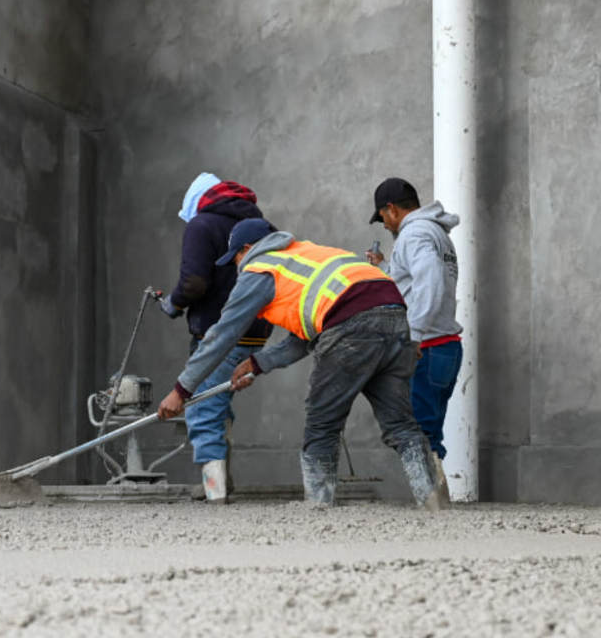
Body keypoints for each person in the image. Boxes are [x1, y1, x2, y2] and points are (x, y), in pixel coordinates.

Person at [157, 218, 448, 509]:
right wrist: (257, 363)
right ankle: (431, 499)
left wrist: (182, 391)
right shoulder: (307, 256)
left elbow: (221, 335)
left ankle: (318, 503)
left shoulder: (260, 269)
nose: (237, 266)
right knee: (401, 424)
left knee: (322, 421)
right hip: (395, 317)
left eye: (235, 257)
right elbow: (305, 337)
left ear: (248, 248)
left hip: (352, 324)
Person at [160, 172, 272, 503]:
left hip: (219, 331)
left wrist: (174, 302)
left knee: (202, 406)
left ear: (199, 201)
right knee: (218, 403)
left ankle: (215, 492)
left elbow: (194, 282)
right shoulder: (262, 226)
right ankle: (223, 481)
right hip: (259, 330)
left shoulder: (202, 225)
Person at [365, 177, 462, 460]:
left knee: (416, 432)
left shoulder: (414, 234)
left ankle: (431, 500)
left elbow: (430, 281)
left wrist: (415, 336)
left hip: (426, 348)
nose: (384, 224)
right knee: (428, 431)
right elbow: (415, 282)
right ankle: (434, 499)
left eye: (382, 217)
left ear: (392, 209)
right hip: (444, 346)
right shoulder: (436, 233)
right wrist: (384, 266)